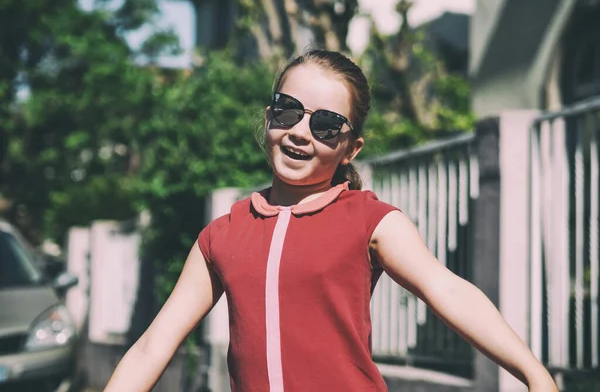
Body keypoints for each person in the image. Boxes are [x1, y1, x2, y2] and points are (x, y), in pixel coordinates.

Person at [104, 49, 558, 392]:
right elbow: (152, 346)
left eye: (325, 125)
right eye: (287, 111)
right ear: (269, 119)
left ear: (350, 148)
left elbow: (450, 290)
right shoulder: (221, 235)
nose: (301, 132)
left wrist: (535, 376)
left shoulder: (370, 221)